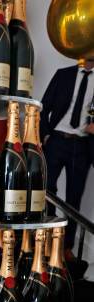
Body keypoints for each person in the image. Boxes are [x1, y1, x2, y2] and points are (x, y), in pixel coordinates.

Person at [41, 58, 94, 258]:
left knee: (74, 197)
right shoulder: (63, 74)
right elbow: (43, 107)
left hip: (81, 146)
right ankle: (45, 237)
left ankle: (67, 248)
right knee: (46, 190)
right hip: (56, 140)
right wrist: (45, 136)